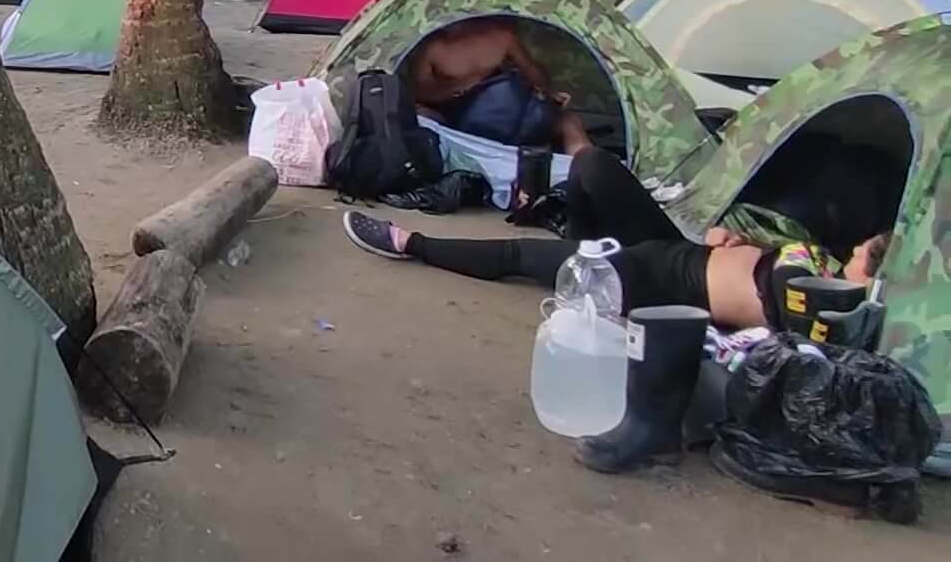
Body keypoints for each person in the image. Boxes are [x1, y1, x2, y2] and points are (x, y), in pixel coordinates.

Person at [341, 203, 890, 334]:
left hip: (647, 282)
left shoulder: (825, 302)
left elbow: (785, 298)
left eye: (862, 253)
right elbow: (754, 247)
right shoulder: (816, 261)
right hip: (666, 255)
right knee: (592, 170)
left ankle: (409, 242)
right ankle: (554, 205)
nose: (852, 251)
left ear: (869, 273)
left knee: (518, 258)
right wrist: (733, 240)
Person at [405, 17, 590, 154]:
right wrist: (464, 88)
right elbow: (419, 94)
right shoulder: (436, 47)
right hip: (461, 123)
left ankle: (584, 178)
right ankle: (584, 176)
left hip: (509, 119)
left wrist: (550, 95)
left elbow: (534, 75)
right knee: (568, 122)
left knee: (567, 121)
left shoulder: (502, 37)